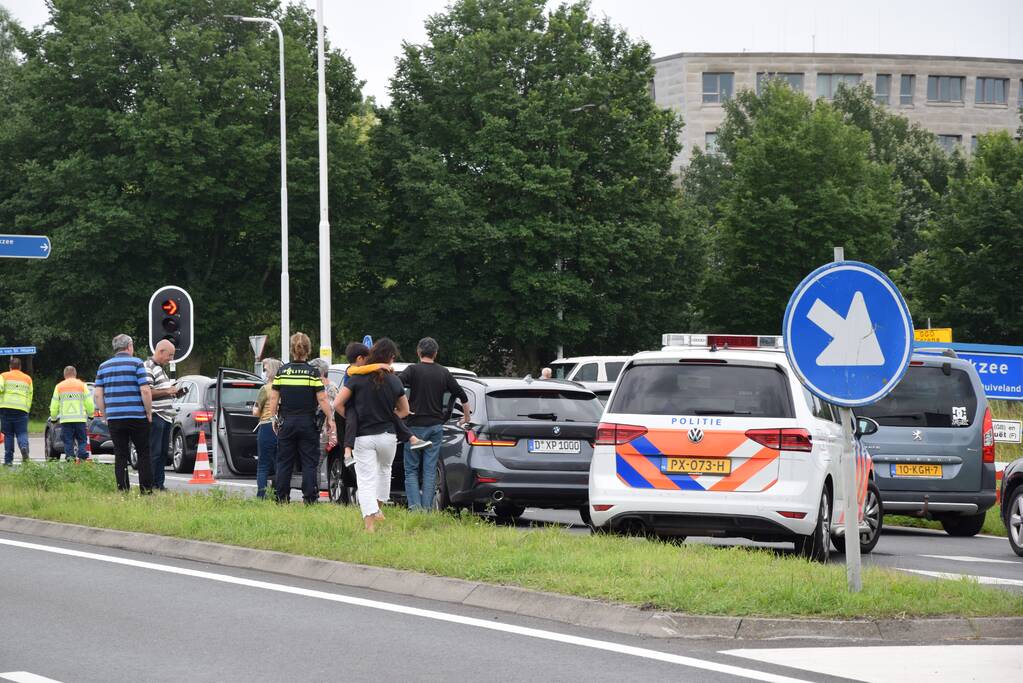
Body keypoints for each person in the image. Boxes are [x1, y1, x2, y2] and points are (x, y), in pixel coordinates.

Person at [334, 338, 410, 532]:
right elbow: (405, 411)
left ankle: (369, 525)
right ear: (390, 358)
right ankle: (378, 510)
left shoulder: (357, 379)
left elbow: (337, 404)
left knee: (366, 480)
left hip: (363, 437)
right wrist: (389, 416)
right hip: (388, 436)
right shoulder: (394, 379)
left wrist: (353, 419)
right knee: (385, 472)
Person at [399, 337, 471, 511]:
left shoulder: (412, 370)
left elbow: (396, 385)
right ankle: (428, 510)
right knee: (430, 470)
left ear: (418, 351)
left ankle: (415, 509)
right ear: (435, 354)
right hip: (435, 427)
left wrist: (401, 408)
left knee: (411, 470)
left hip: (414, 427)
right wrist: (466, 418)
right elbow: (462, 395)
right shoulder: (443, 372)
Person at [267, 333, 335, 504]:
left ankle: (282, 498)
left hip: (287, 422)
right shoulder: (313, 373)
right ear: (308, 350)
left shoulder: (283, 372)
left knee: (284, 462)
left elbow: (274, 399)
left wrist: (274, 418)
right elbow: (322, 399)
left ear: (292, 350)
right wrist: (330, 419)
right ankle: (309, 498)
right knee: (309, 463)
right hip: (308, 423)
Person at [340, 342, 428, 469]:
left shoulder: (360, 375)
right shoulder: (352, 371)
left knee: (367, 478)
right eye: (366, 358)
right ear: (359, 358)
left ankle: (412, 438)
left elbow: (337, 404)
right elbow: (361, 369)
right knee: (357, 420)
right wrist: (379, 365)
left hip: (363, 429)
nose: (368, 362)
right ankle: (347, 452)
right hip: (352, 407)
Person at [94, 334, 154, 493]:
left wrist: (105, 414)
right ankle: (146, 490)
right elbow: (145, 390)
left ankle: (123, 490)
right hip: (136, 416)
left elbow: (98, 395)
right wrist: (148, 411)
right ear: (129, 346)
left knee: (120, 454)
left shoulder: (103, 367)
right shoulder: (137, 363)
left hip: (115, 417)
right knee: (143, 453)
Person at [145, 340, 178, 490]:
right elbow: (147, 392)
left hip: (166, 416)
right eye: (169, 355)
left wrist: (173, 393)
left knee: (163, 452)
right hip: (156, 415)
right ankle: (151, 484)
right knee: (155, 452)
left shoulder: (160, 368)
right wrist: (167, 391)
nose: (170, 358)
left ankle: (159, 484)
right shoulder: (149, 367)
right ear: (160, 351)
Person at [49, 365, 95, 462]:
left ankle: (70, 460)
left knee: (68, 441)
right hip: (80, 419)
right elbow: (89, 403)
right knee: (82, 440)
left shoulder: (59, 386)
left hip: (66, 420)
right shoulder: (82, 385)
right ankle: (82, 455)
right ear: (75, 374)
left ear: (64, 375)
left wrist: (53, 418)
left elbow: (54, 405)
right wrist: (91, 415)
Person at [252, 357, 282, 499]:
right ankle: (279, 495)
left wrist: (253, 409)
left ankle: (261, 495)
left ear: (270, 372)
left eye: (265, 370)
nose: (264, 372)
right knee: (279, 463)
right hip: (281, 428)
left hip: (266, 426)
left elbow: (256, 411)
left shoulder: (265, 389)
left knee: (263, 464)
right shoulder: (284, 387)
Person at [0, 357, 33, 466]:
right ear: (20, 367)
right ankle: (24, 447)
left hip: (6, 408)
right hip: (21, 410)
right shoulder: (27, 379)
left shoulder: (3, 376)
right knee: (22, 432)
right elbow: (30, 395)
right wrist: (27, 408)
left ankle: (8, 460)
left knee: (8, 434)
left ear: (10, 366)